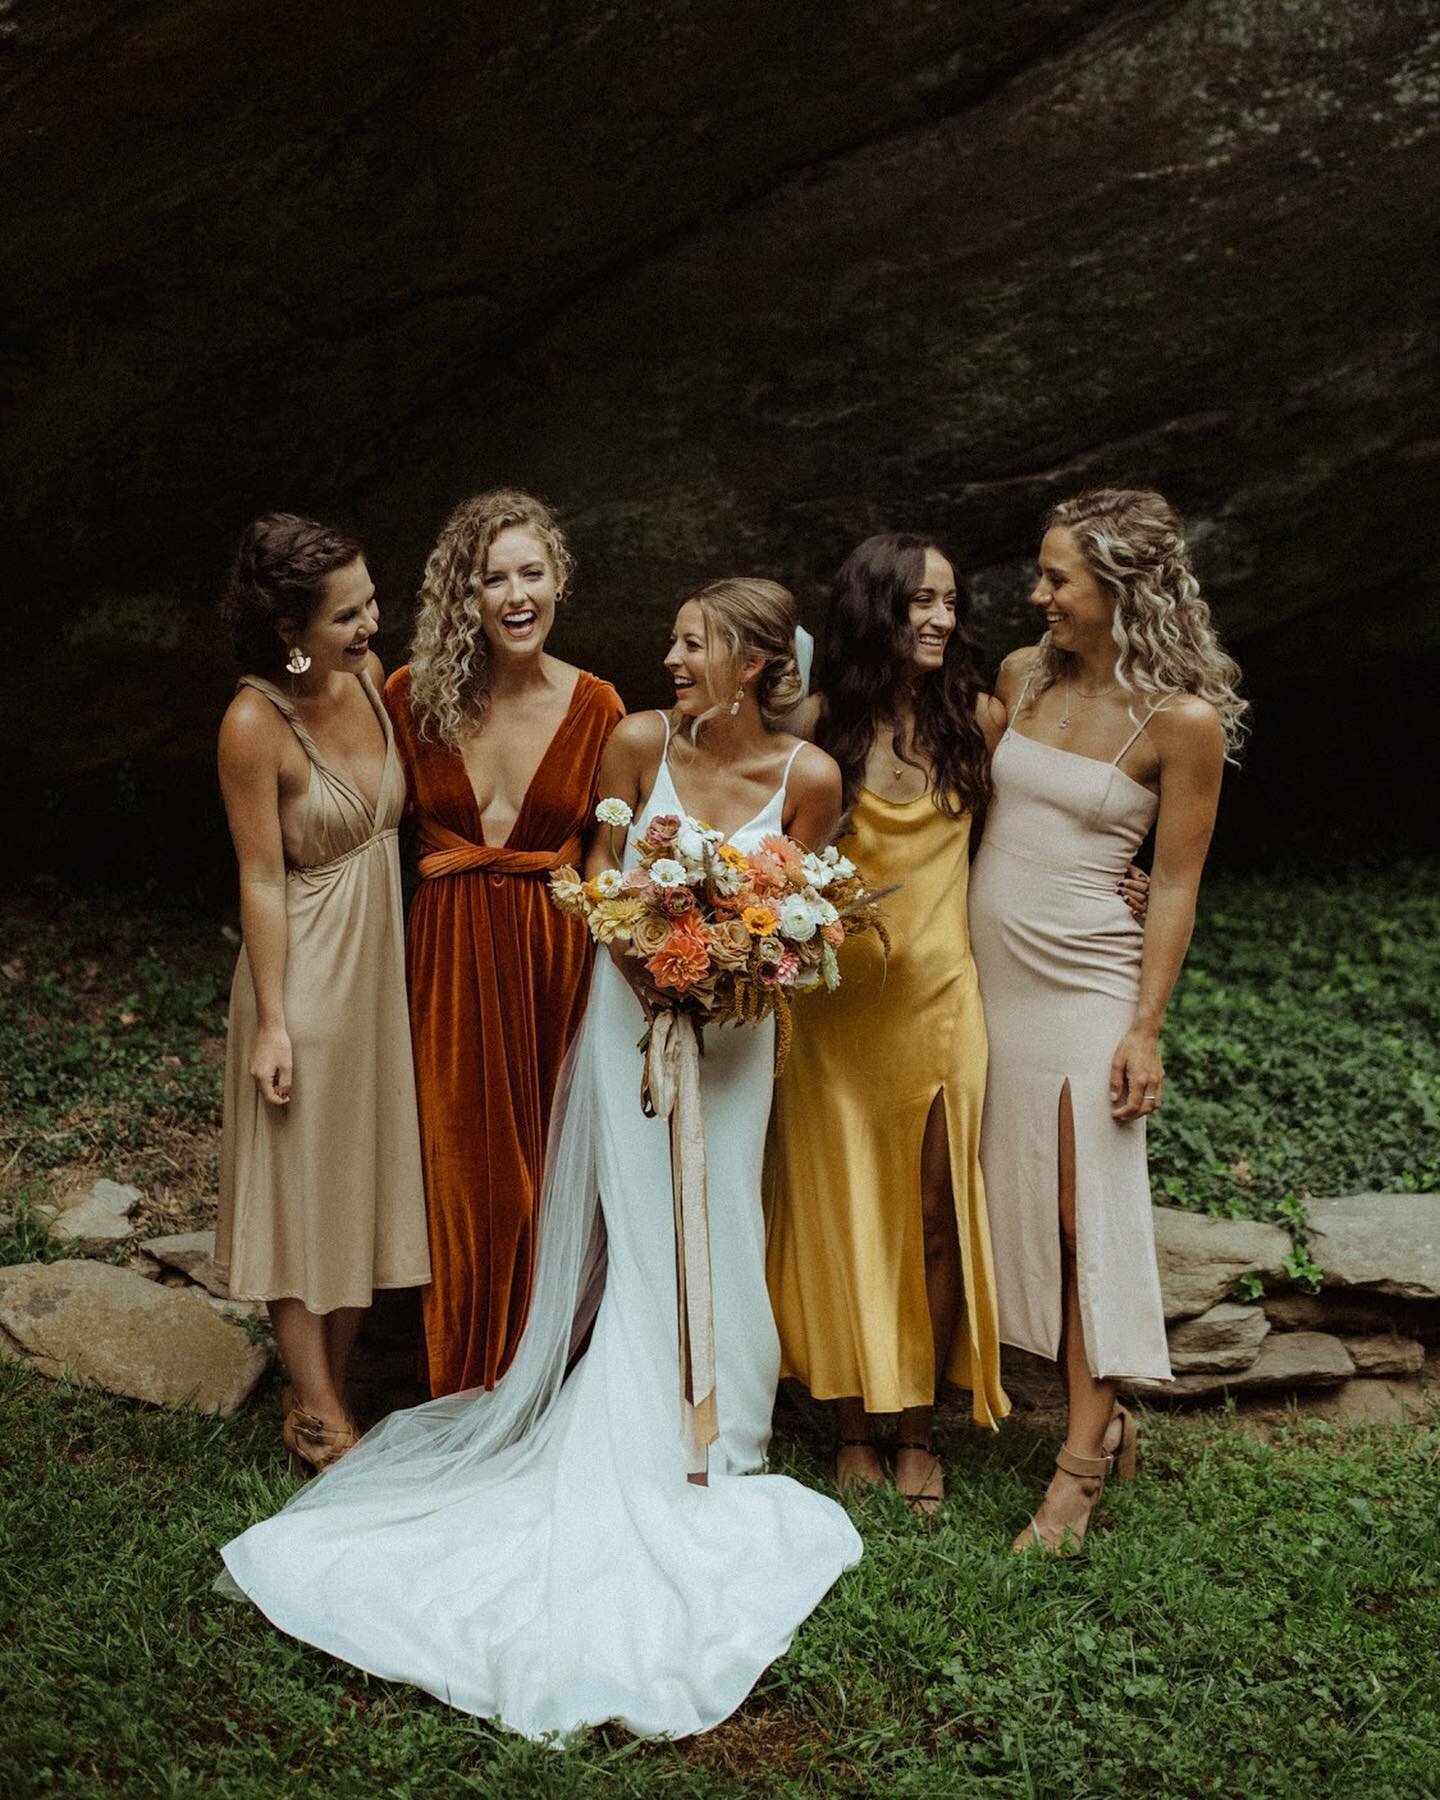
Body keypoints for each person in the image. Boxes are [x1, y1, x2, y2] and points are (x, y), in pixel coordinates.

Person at [219, 577, 861, 1742]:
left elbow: (805, 918)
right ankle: (636, 1423)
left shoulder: (810, 780)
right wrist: (657, 981)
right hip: (628, 1017)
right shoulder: (634, 742)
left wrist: (731, 984)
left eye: (695, 642)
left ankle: (731, 1435)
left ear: (760, 664)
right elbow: (606, 887)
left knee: (720, 1220)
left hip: (736, 1046)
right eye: (671, 635)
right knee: (639, 1220)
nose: (668, 656)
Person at [969, 487, 1245, 1554]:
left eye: (1056, 579)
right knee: (1023, 1208)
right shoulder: (1020, 676)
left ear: (1120, 589)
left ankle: (1080, 1464)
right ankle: (1106, 1415)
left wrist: (1145, 1027)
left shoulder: (1180, 722)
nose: (1037, 596)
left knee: (1087, 1218)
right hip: (994, 982)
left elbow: (1173, 884)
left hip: (1091, 987)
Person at [765, 533, 1010, 1510]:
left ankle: (919, 1427)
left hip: (942, 1007)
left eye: (950, 601)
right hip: (831, 1018)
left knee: (937, 1214)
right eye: (921, 602)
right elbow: (765, 849)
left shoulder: (980, 718)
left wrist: (1115, 876)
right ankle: (851, 1427)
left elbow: (1024, 842)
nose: (943, 619)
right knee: (841, 1212)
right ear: (878, 610)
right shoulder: (820, 725)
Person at [384, 490, 624, 1396]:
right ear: (467, 596)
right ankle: (463, 1381)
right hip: (443, 954)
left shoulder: (600, 706)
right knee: (460, 1169)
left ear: (560, 579)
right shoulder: (413, 695)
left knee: (548, 1169)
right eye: (494, 579)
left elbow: (616, 853)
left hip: (554, 955)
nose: (516, 595)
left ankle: (544, 1378)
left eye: (532, 573)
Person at [215, 513, 430, 1474]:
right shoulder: (255, 721)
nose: (370, 625)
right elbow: (260, 877)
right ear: (288, 629)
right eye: (346, 615)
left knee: (353, 1185)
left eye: (371, 601)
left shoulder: (373, 683)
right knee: (300, 1192)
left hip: (379, 973)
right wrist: (272, 1022)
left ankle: (323, 1396)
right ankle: (318, 1407)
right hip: (305, 976)